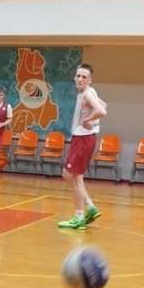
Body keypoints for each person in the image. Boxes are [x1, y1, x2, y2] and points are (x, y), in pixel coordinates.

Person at [57, 63, 107, 230]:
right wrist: (92, 119)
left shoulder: (87, 94)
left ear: (89, 80)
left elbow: (102, 111)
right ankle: (90, 208)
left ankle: (80, 216)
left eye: (84, 77)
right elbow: (104, 105)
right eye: (78, 76)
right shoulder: (89, 92)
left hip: (83, 139)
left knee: (69, 175)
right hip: (83, 138)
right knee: (75, 177)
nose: (80, 79)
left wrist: (88, 120)